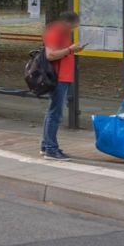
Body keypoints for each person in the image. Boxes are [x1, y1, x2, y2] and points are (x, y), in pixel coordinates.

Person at [41, 11, 85, 160]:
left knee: (53, 112)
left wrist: (71, 50)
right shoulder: (55, 31)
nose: (74, 28)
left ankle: (46, 145)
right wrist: (70, 50)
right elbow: (50, 54)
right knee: (55, 113)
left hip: (64, 77)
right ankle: (51, 149)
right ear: (68, 22)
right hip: (57, 78)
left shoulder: (64, 33)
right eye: (74, 26)